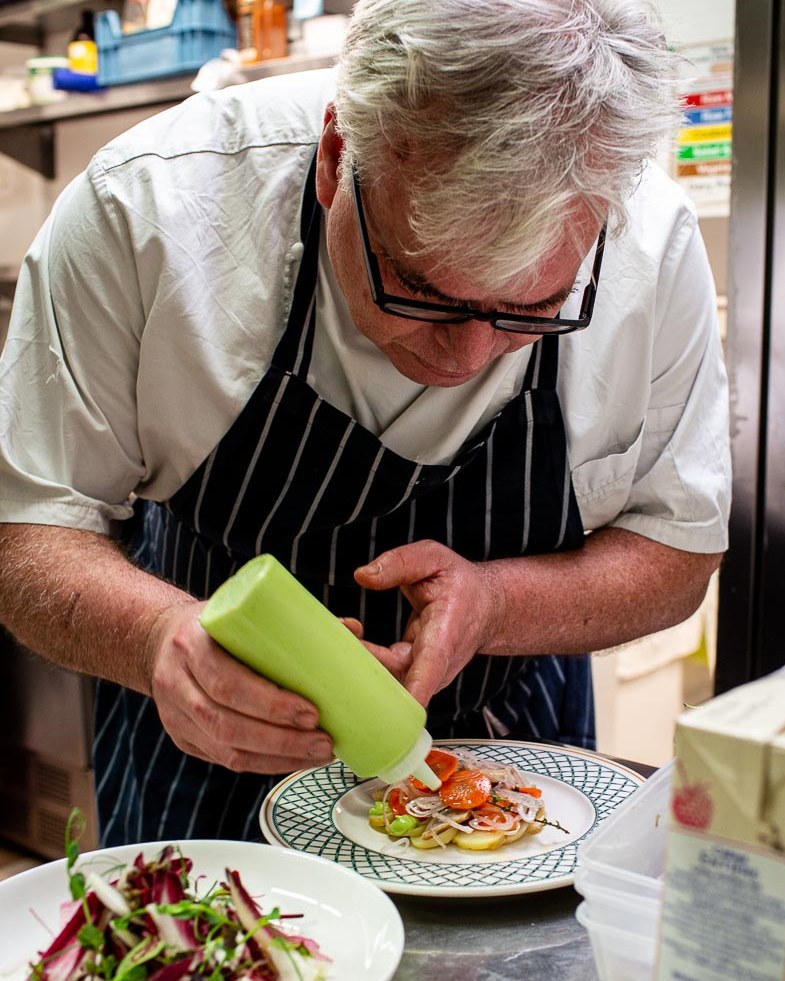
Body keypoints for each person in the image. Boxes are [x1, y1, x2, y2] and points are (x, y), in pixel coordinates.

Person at [0, 0, 730, 846]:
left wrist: (494, 603)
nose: (465, 357)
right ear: (337, 155)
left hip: (507, 768)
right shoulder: (152, 209)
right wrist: (160, 638)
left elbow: (676, 554)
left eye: (530, 311)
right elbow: (26, 534)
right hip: (203, 775)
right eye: (419, 291)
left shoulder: (649, 245)